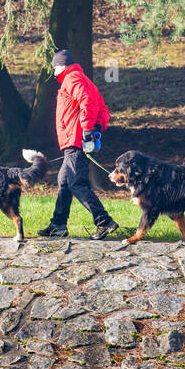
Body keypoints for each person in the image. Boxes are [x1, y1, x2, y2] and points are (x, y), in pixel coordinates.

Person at [37, 49, 120, 240]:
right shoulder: (80, 78)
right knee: (64, 181)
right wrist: (96, 127)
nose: (54, 71)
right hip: (75, 140)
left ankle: (104, 221)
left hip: (75, 140)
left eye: (55, 67)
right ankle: (58, 225)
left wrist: (88, 128)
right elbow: (103, 110)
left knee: (76, 183)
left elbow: (88, 101)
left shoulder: (72, 78)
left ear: (61, 65)